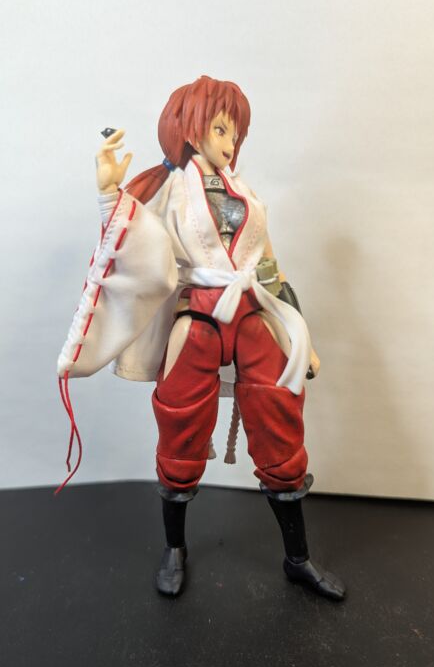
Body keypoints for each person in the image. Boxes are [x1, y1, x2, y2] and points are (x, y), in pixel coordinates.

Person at [57, 75, 346, 601]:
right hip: (199, 314)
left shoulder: (245, 194)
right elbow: (131, 239)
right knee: (180, 422)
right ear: (191, 130)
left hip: (251, 312)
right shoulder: (170, 190)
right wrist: (108, 195)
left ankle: (297, 557)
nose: (230, 142)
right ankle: (175, 548)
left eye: (235, 132)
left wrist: (302, 336)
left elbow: (271, 269)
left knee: (280, 418)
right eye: (219, 129)